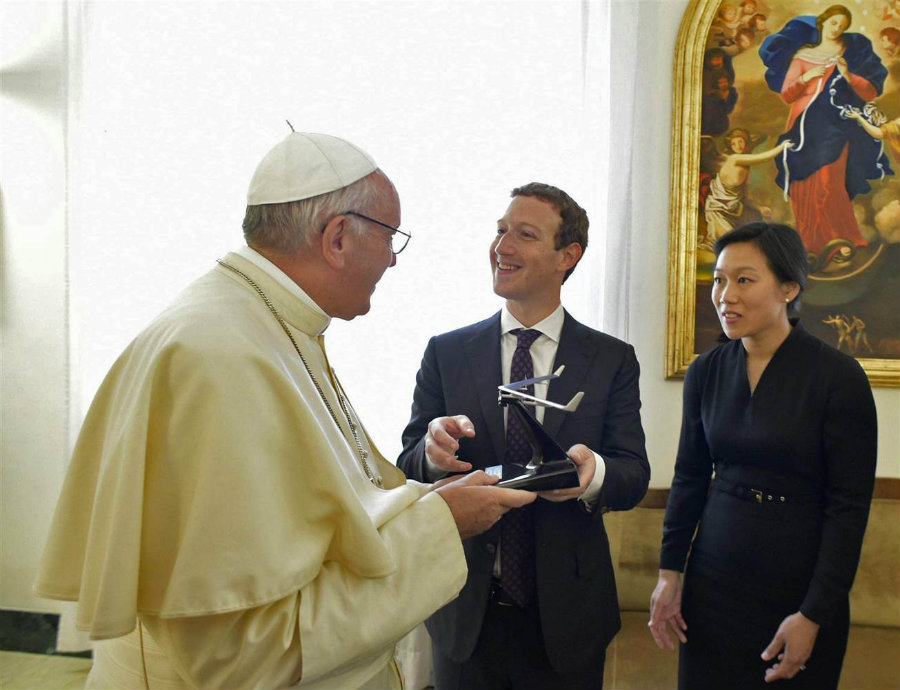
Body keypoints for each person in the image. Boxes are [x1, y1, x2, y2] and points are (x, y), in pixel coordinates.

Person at [33, 131, 536, 690]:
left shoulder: (262, 320)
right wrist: (441, 527)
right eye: (391, 237)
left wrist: (426, 507)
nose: (394, 259)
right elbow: (243, 652)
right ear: (338, 237)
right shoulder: (220, 357)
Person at [397, 183, 650, 690]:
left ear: (567, 256)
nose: (502, 246)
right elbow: (408, 461)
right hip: (464, 614)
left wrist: (591, 473)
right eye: (500, 231)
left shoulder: (611, 358)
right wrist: (430, 450)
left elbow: (633, 473)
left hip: (568, 622)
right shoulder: (446, 352)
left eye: (524, 234)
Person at [648, 222, 877, 690]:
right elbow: (690, 477)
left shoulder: (838, 377)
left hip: (798, 587)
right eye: (718, 279)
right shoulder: (707, 371)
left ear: (789, 288)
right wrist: (669, 575)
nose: (725, 295)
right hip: (713, 582)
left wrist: (813, 615)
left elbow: (848, 508)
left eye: (744, 280)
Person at [760, 4, 892, 257]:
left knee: (830, 181)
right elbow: (788, 94)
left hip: (835, 125)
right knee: (803, 183)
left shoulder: (848, 55)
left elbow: (870, 92)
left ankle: (840, 237)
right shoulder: (803, 56)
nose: (837, 29)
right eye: (833, 23)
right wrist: (806, 77)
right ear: (822, 23)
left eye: (842, 26)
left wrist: (848, 74)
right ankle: (810, 242)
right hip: (804, 123)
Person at [702, 128, 792, 248]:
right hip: (718, 212)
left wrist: (760, 208)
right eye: (733, 143)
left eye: (740, 142)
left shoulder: (746, 167)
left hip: (733, 211)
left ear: (745, 143)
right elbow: (763, 158)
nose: (737, 146)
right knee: (733, 245)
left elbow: (745, 198)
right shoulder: (734, 159)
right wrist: (781, 147)